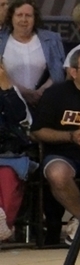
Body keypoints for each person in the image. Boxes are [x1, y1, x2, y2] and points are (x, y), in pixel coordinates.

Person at [30, 48, 80, 246]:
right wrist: (71, 136)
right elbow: (37, 131)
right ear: (73, 72)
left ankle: (79, 223)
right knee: (57, 175)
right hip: (62, 153)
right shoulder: (55, 94)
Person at [0, 0, 66, 107]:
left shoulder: (51, 39)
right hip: (7, 104)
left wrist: (41, 91)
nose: (24, 20)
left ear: (35, 18)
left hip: (43, 102)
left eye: (28, 16)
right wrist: (24, 92)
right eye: (19, 15)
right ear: (11, 17)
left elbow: (58, 72)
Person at [0, 61, 33, 241]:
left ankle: (3, 226)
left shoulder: (7, 88)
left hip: (6, 152)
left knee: (8, 176)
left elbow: (19, 116)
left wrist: (6, 89)